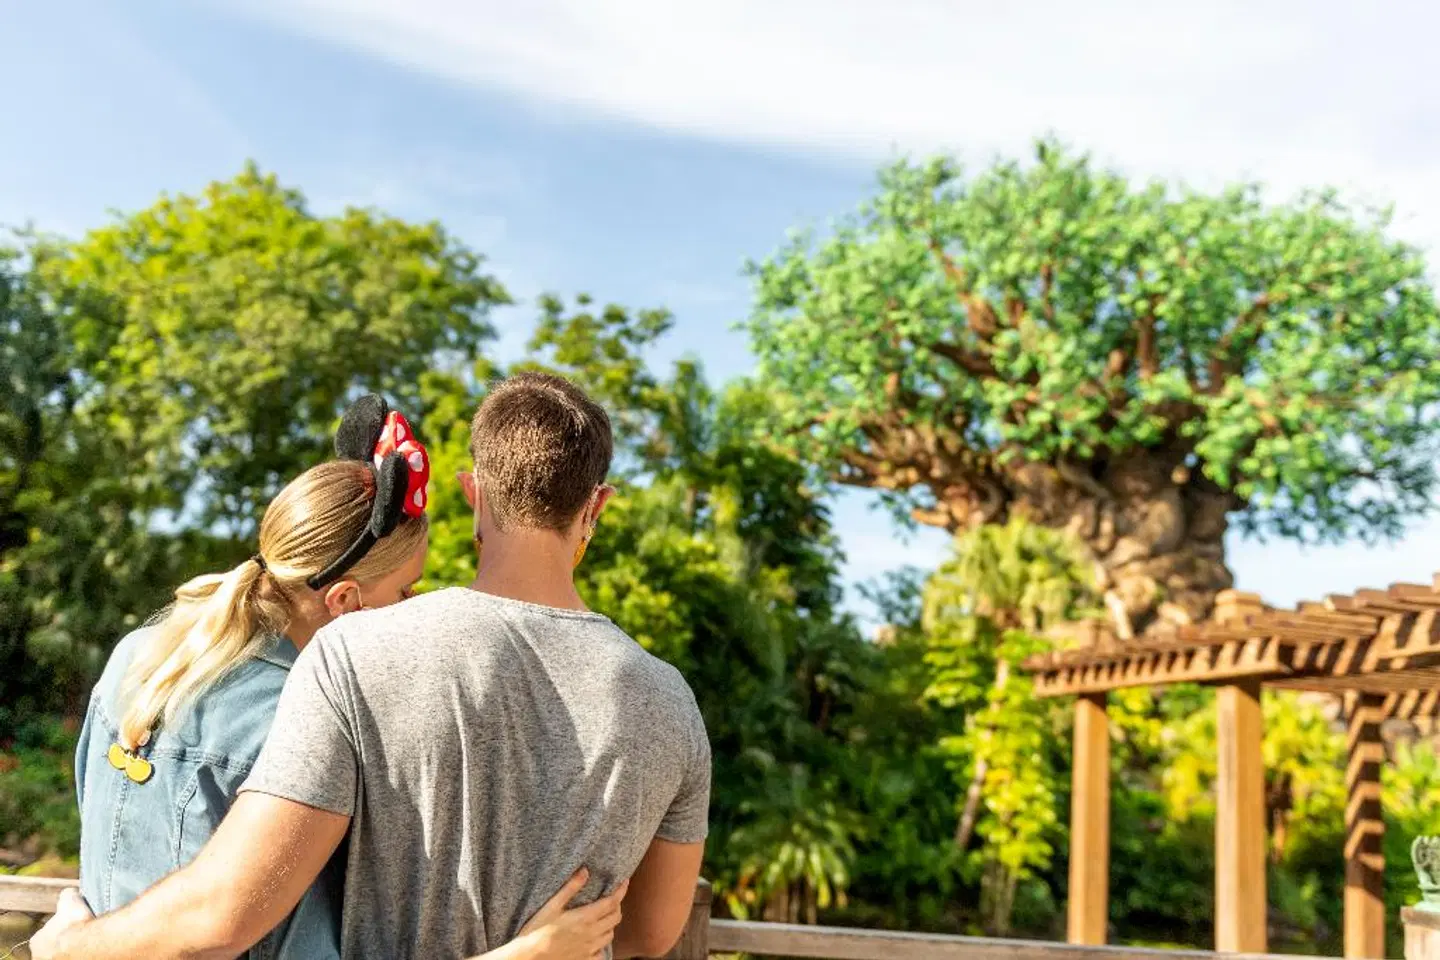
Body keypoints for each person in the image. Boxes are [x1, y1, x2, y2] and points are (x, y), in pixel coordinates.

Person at [33, 372, 711, 960]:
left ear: (474, 492)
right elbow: (652, 934)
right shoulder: (671, 701)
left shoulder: (343, 656)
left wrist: (64, 948)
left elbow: (227, 909)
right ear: (596, 506)